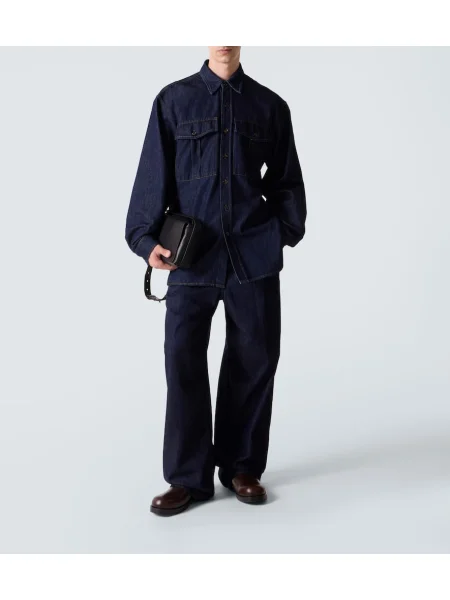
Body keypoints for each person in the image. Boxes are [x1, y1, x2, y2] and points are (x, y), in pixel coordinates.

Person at [125, 46, 307, 516]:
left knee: (255, 358)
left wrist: (280, 234)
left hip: (253, 257)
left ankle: (241, 467)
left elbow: (287, 182)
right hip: (191, 260)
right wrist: (146, 240)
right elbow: (153, 175)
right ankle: (188, 477)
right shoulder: (173, 101)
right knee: (182, 359)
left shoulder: (270, 106)